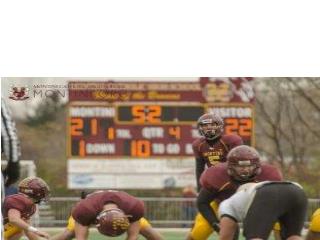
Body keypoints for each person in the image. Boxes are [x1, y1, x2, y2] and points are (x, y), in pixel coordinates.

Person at [185, 145, 283, 240]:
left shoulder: (268, 175)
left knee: (280, 224)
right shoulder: (217, 175)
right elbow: (202, 202)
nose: (245, 170)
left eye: (249, 166)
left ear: (257, 166)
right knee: (200, 230)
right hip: (222, 205)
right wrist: (215, 223)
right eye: (240, 167)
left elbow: (276, 203)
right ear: (230, 167)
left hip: (257, 206)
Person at [51, 190, 163, 240]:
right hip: (90, 208)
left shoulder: (133, 207)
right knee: (69, 234)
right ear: (97, 221)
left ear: (126, 217)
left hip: (121, 209)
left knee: (149, 232)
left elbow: (133, 237)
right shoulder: (84, 210)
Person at [218, 181, 308, 240]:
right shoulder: (245, 197)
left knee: (255, 238)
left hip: (267, 193)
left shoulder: (226, 205)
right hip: (297, 190)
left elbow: (226, 236)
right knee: (293, 236)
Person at [193, 113, 243, 191]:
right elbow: (199, 169)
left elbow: (238, 164)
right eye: (205, 125)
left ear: (219, 126)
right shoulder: (199, 145)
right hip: (214, 179)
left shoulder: (230, 140)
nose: (209, 128)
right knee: (202, 201)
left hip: (232, 179)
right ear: (200, 128)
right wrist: (200, 189)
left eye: (212, 124)